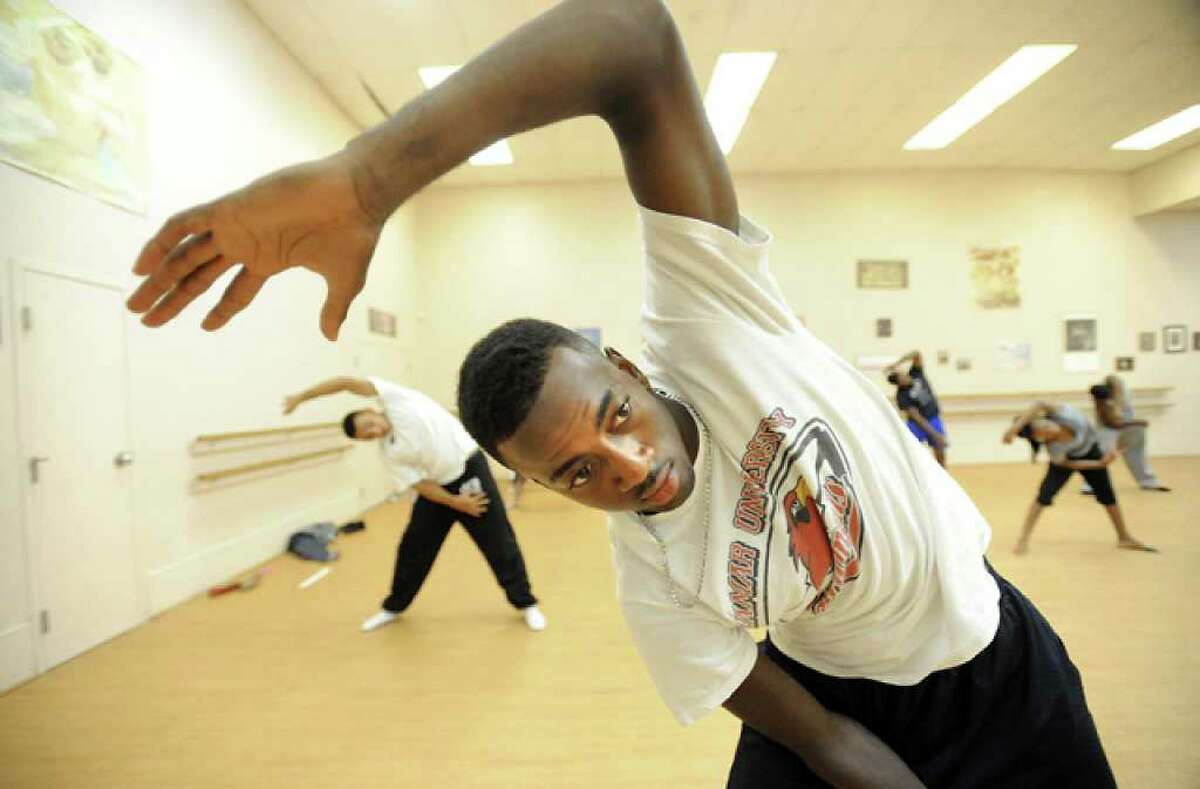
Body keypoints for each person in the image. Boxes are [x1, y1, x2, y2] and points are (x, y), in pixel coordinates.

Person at [126, 1, 1117, 785]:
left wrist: (363, 180)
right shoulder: (655, 578)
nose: (634, 467)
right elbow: (823, 744)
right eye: (581, 473)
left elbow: (629, 34)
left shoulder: (716, 321)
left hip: (997, 667)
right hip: (836, 701)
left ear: (633, 372)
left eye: (618, 417)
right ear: (552, 493)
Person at [283, 376, 546, 632]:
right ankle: (394, 607)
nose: (375, 432)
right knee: (414, 548)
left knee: (499, 541)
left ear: (370, 409)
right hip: (439, 491)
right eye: (367, 435)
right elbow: (421, 485)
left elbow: (344, 383)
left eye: (369, 424)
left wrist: (302, 397)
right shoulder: (390, 453)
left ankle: (526, 603)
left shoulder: (397, 400)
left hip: (470, 472)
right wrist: (456, 503)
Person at [1002, 401, 1156, 556]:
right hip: (1069, 461)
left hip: (1090, 451)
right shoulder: (1054, 448)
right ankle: (1023, 538)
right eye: (1043, 433)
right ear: (1041, 439)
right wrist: (1099, 464)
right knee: (1044, 496)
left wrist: (1014, 429)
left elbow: (1040, 403)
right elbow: (1068, 464)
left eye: (1044, 425)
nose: (1047, 429)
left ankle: (1124, 537)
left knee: (1107, 495)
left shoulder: (1063, 414)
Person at [1082, 376, 1169, 493]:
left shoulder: (1124, 394)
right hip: (1109, 428)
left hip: (1126, 425)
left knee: (1136, 453)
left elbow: (1121, 418)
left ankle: (1148, 481)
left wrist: (1135, 423)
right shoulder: (1102, 398)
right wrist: (1137, 422)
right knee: (1102, 454)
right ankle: (1091, 485)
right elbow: (1112, 423)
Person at [884, 350, 947, 466]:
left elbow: (916, 354)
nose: (905, 377)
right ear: (898, 384)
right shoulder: (902, 396)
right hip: (917, 424)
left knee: (940, 446)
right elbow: (917, 418)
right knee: (908, 449)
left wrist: (896, 364)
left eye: (903, 374)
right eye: (901, 378)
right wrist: (934, 434)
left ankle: (943, 471)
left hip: (933, 417)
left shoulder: (916, 374)